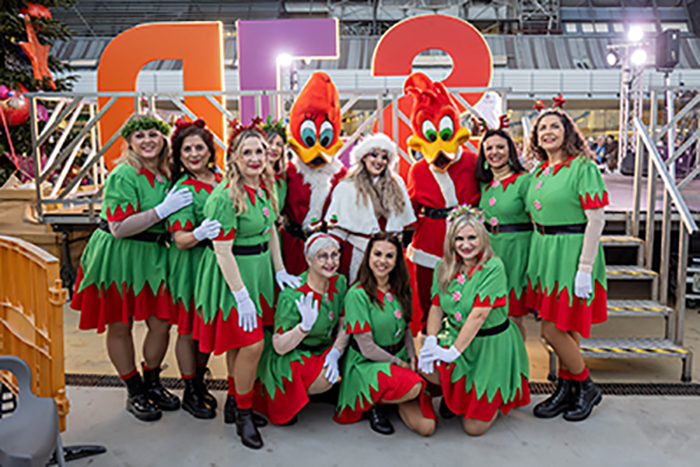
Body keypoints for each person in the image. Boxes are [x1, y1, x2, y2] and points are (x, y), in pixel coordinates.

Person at [71, 113, 191, 421]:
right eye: (140, 136)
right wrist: (161, 211)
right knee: (120, 324)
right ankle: (133, 389)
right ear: (130, 142)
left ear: (163, 138)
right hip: (119, 254)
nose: (148, 140)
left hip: (152, 254)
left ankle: (152, 381)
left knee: (161, 323)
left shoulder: (168, 173)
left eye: (153, 134)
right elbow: (119, 227)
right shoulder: (123, 174)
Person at [191, 122, 300, 449]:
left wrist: (279, 270)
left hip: (261, 271)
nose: (255, 158)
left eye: (260, 152)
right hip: (233, 274)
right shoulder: (225, 196)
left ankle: (232, 405)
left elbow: (271, 231)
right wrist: (241, 296)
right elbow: (221, 250)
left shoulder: (268, 188)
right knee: (252, 345)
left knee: (244, 344)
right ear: (235, 158)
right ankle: (244, 414)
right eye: (247, 152)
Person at [525, 108, 608, 422]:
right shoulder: (540, 171)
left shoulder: (583, 167)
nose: (547, 132)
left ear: (567, 132)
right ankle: (567, 387)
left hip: (572, 252)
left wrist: (585, 267)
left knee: (552, 328)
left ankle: (586, 385)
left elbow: (596, 218)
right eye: (542, 127)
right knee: (566, 326)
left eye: (554, 126)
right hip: (544, 249)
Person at [418, 205, 530, 436]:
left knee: (474, 429)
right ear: (451, 241)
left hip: (489, 347)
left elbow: (479, 315)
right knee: (424, 365)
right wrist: (430, 341)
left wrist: (453, 352)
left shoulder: (493, 267)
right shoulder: (443, 266)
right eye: (459, 239)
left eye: (472, 237)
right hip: (455, 335)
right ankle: (455, 396)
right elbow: (437, 308)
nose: (465, 244)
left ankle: (490, 400)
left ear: (482, 237)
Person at [335, 233, 436, 437]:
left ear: (397, 260)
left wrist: (411, 357)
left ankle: (393, 393)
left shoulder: (401, 288)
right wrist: (399, 364)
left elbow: (407, 328)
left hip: (397, 358)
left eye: (389, 256)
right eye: (377, 254)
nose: (382, 260)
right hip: (367, 364)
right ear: (368, 256)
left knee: (427, 427)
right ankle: (374, 403)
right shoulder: (357, 294)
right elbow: (367, 348)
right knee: (415, 385)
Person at [254, 233, 349, 425]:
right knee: (324, 378)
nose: (330, 262)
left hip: (322, 348)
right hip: (291, 354)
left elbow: (344, 324)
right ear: (308, 259)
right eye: (322, 256)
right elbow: (279, 346)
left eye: (334, 255)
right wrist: (302, 328)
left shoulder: (339, 282)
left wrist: (336, 352)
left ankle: (320, 389)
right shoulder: (293, 295)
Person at [166, 118, 223, 419]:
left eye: (198, 147)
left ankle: (200, 382)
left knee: (207, 326)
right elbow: (180, 240)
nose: (193, 153)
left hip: (218, 265)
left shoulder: (223, 180)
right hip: (191, 265)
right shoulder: (183, 189)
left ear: (210, 151)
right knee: (188, 329)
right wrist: (201, 233)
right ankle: (190, 388)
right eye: (186, 149)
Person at [325, 133, 416, 283]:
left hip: (388, 256)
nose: (379, 161)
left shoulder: (397, 184)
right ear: (363, 157)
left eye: (384, 157)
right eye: (374, 155)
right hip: (358, 253)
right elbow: (336, 232)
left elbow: (403, 226)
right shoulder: (347, 187)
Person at [475, 129, 532, 339]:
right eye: (489, 148)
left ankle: (517, 367)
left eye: (500, 147)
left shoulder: (523, 181)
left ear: (510, 151)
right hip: (490, 251)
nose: (494, 152)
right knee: (492, 312)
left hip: (516, 250)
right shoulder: (485, 185)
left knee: (513, 316)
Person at [261, 116, 288, 209]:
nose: (274, 148)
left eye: (279, 145)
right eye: (270, 142)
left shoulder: (282, 178)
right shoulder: (254, 176)